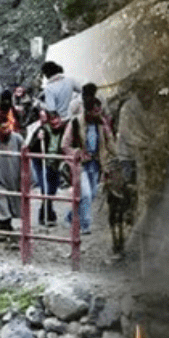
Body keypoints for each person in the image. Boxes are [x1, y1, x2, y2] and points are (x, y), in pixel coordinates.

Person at [61, 96, 114, 235]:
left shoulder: (101, 124)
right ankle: (85, 225)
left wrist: (115, 156)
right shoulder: (75, 123)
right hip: (80, 165)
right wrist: (77, 152)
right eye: (95, 111)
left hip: (96, 164)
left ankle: (70, 216)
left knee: (92, 194)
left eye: (99, 111)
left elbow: (109, 141)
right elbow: (64, 145)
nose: (98, 114)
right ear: (88, 111)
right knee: (86, 194)